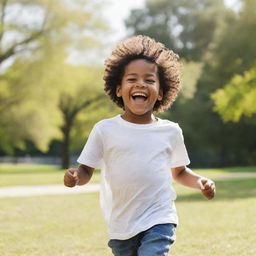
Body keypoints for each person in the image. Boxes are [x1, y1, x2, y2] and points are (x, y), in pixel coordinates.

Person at [64, 35, 216, 256]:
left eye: (149, 80)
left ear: (161, 93)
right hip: (121, 224)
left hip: (159, 217)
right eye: (132, 78)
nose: (140, 84)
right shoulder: (104, 130)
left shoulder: (170, 131)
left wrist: (200, 182)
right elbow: (87, 169)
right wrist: (76, 177)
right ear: (118, 89)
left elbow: (180, 172)